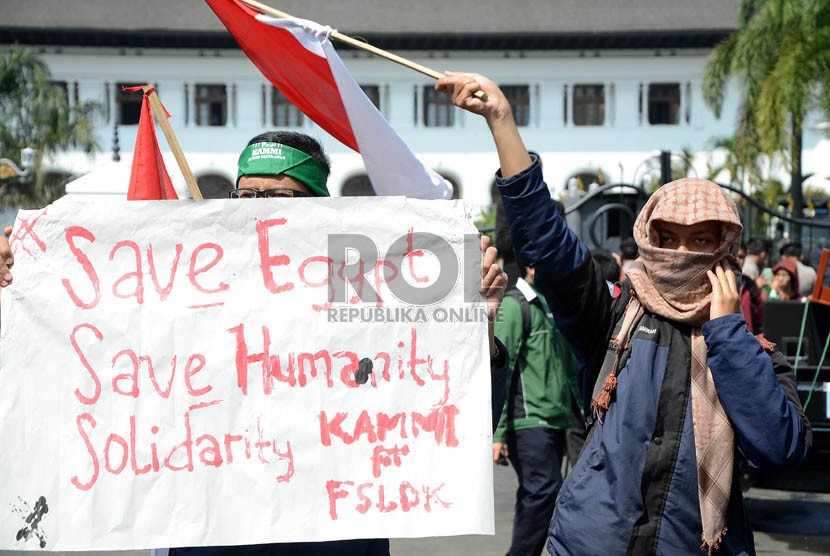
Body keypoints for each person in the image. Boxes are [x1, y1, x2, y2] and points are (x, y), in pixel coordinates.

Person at [436, 73, 811, 556]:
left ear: (726, 249)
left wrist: (727, 334)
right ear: (648, 240)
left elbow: (779, 450)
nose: (681, 253)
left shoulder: (753, 352)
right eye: (668, 237)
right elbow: (551, 247)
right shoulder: (615, 317)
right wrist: (502, 121)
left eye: (700, 241)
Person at [167, 131, 510, 556]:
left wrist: (479, 336)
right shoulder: (189, 294)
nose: (257, 207)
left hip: (330, 537)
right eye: (247, 193)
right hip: (215, 537)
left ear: (318, 204)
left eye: (278, 196)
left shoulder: (369, 295)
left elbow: (452, 423)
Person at [493, 262, 578, 556]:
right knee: (545, 489)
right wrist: (498, 432)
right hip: (527, 420)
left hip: (554, 418)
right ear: (530, 267)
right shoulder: (515, 306)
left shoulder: (547, 305)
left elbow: (567, 368)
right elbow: (503, 369)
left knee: (537, 493)